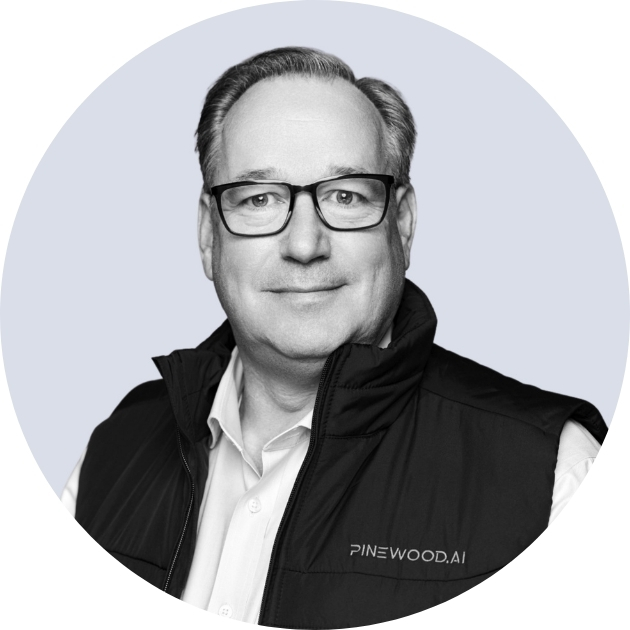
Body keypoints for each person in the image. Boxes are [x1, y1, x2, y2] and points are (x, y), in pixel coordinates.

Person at [62, 47, 607, 628]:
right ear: (207, 234)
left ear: (402, 224)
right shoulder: (111, 454)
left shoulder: (554, 477)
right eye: (259, 199)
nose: (304, 245)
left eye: (346, 196)